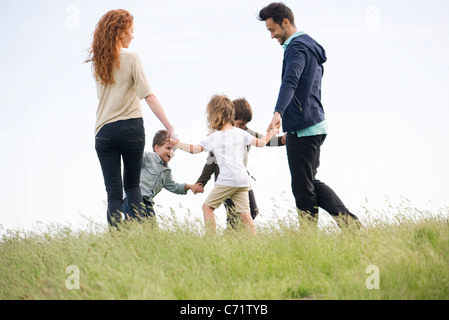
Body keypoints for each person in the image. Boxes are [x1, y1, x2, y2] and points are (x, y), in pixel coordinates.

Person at [258, 3, 361, 228]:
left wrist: (278, 113)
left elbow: (290, 81)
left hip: (303, 127)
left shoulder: (297, 48)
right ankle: (350, 225)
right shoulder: (310, 46)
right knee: (309, 183)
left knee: (302, 188)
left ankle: (312, 235)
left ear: (286, 22)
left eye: (272, 30)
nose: (272, 36)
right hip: (315, 123)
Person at [86, 9, 176, 227]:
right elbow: (149, 96)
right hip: (131, 129)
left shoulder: (99, 62)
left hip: (104, 132)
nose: (133, 36)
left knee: (113, 192)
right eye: (131, 31)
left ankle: (116, 239)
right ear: (120, 32)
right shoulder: (132, 57)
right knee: (132, 186)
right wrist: (169, 127)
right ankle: (138, 236)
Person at [172, 95, 278, 234]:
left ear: (214, 116)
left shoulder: (214, 137)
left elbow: (194, 149)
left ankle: (211, 241)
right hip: (242, 181)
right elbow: (262, 143)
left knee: (207, 208)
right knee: (246, 215)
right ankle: (255, 244)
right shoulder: (241, 133)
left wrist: (178, 144)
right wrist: (272, 132)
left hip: (226, 181)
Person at [196, 98, 285, 230]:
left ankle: (235, 238)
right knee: (233, 216)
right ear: (230, 119)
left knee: (253, 211)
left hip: (242, 180)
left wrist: (283, 140)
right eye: (241, 123)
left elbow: (264, 140)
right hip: (226, 181)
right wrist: (201, 182)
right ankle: (230, 242)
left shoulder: (245, 132)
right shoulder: (221, 137)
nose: (244, 127)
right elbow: (210, 163)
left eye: (246, 124)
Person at [122, 130, 204, 222]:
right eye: (168, 148)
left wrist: (191, 186)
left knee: (152, 232)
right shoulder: (148, 157)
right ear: (157, 148)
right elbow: (134, 159)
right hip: (133, 198)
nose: (171, 152)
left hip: (148, 203)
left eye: (173, 150)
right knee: (133, 224)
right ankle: (118, 233)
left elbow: (174, 187)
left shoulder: (166, 172)